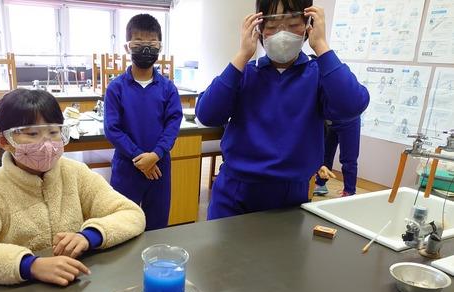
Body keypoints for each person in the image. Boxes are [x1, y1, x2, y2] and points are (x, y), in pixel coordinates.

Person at [0, 88, 146, 286]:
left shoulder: (76, 173)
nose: (46, 144)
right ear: (4, 141)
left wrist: (89, 236)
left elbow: (131, 214)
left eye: (54, 132)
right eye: (32, 134)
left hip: (76, 286)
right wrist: (29, 265)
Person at [195, 0, 369, 219]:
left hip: (291, 195)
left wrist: (321, 45)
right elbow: (207, 114)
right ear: (259, 28)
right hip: (235, 192)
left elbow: (353, 105)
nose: (282, 33)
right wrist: (242, 55)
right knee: (223, 242)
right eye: (272, 25)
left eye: (293, 24)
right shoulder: (245, 73)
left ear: (308, 25)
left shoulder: (317, 74)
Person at [104, 14, 183, 230]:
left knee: (157, 225)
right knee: (122, 225)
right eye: (138, 42)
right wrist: (140, 158)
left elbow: (173, 125)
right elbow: (112, 129)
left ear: (160, 47)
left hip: (159, 166)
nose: (146, 48)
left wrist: (155, 155)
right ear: (127, 46)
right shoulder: (116, 88)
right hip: (127, 167)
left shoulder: (168, 88)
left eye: (152, 42)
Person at [313, 118, 361, 197]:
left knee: (348, 160)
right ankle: (320, 183)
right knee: (325, 153)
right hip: (331, 121)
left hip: (349, 121)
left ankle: (349, 191)